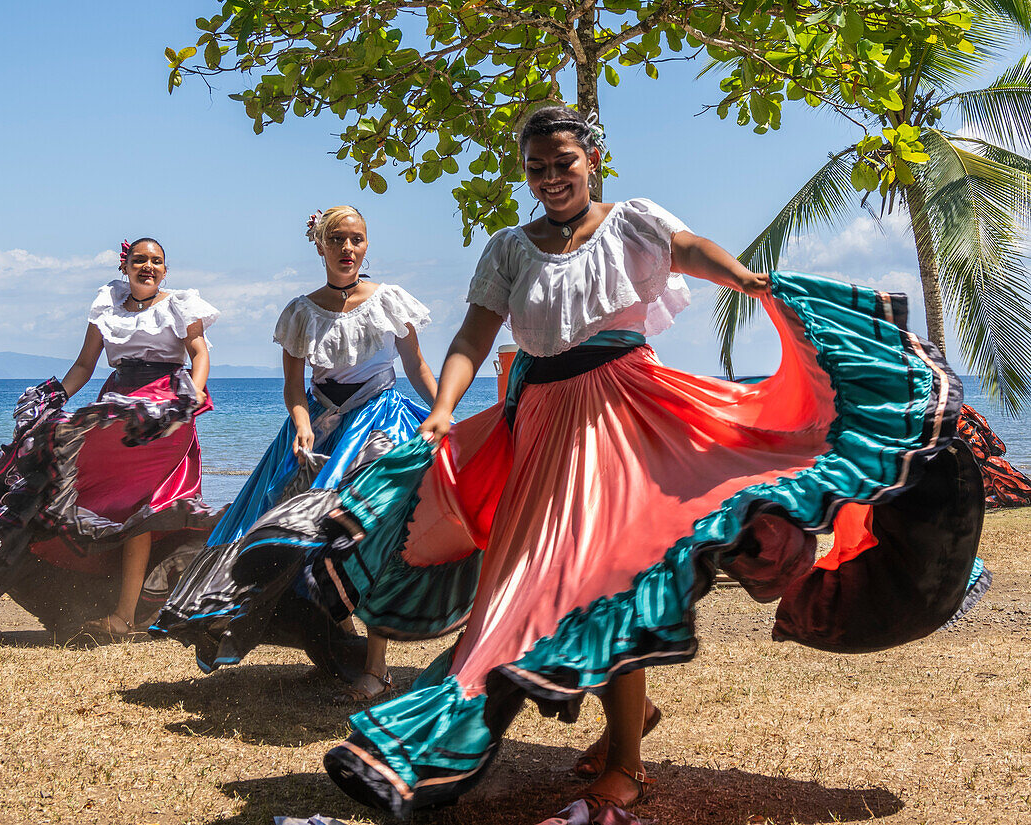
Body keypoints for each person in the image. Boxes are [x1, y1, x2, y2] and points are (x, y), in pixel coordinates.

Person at [315, 105, 984, 821]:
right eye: (535, 167)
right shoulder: (509, 248)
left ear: (592, 159)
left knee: (610, 581)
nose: (549, 178)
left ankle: (628, 764)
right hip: (541, 429)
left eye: (562, 163)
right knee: (539, 590)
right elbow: (472, 338)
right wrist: (445, 407)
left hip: (628, 418)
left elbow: (689, 248)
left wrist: (746, 281)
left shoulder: (632, 220)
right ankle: (625, 717)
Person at [152, 205, 439, 701]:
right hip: (319, 431)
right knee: (294, 541)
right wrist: (303, 424)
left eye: (357, 239)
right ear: (321, 246)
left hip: (383, 421)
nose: (349, 249)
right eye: (339, 240)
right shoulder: (301, 312)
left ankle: (376, 664)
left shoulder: (391, 301)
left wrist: (443, 412)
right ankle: (336, 650)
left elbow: (416, 367)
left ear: (366, 245)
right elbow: (294, 388)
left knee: (376, 533)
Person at [0, 237, 220, 638]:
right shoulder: (107, 304)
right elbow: (86, 363)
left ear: (165, 269)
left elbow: (199, 355)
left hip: (164, 413)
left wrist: (190, 396)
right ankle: (99, 602)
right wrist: (52, 398)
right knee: (74, 493)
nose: (148, 267)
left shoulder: (181, 305)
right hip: (116, 411)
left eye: (156, 261)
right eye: (140, 260)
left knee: (146, 509)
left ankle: (124, 616)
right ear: (126, 266)